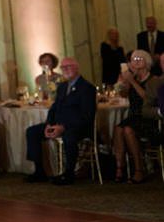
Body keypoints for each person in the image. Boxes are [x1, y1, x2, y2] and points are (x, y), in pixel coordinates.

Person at [25, 57, 96, 185]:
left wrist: (63, 127)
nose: (65, 70)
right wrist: (48, 124)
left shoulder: (87, 88)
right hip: (58, 125)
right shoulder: (62, 87)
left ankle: (69, 174)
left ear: (76, 68)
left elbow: (87, 115)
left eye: (68, 66)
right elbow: (54, 108)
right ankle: (39, 171)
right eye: (63, 68)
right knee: (32, 132)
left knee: (69, 137)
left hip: (78, 126)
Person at [112, 49, 159, 183]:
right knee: (118, 129)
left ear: (147, 62)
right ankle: (120, 167)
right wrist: (123, 84)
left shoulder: (153, 79)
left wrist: (132, 82)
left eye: (139, 59)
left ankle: (139, 169)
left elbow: (148, 98)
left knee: (127, 129)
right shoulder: (133, 78)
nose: (135, 62)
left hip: (148, 118)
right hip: (134, 116)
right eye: (133, 59)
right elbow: (124, 95)